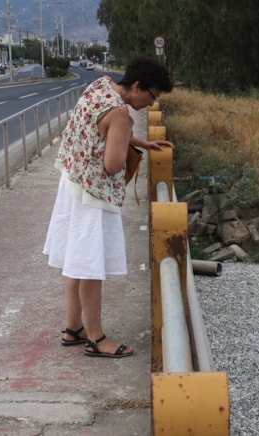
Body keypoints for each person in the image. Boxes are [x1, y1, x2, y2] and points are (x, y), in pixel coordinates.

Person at [43, 56, 174, 358]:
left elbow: (99, 130)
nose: (151, 103)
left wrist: (141, 142)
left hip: (72, 185)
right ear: (137, 86)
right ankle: (96, 338)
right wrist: (128, 138)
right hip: (93, 196)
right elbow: (113, 164)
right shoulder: (121, 114)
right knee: (90, 267)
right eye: (152, 96)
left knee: (76, 262)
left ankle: (74, 327)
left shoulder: (100, 86)